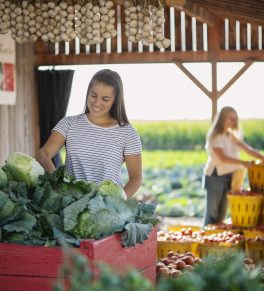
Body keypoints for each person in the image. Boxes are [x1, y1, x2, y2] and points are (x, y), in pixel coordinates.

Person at [36, 69, 142, 199]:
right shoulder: (69, 124)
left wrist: (116, 203)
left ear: (115, 100)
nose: (97, 103)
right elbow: (43, 154)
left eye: (105, 99)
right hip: (71, 203)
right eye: (93, 95)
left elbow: (136, 178)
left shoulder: (128, 134)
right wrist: (59, 183)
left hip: (107, 208)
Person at [203, 106, 264, 226]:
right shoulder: (215, 136)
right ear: (222, 119)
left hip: (229, 176)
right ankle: (205, 239)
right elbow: (223, 158)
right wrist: (243, 163)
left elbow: (248, 149)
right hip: (215, 176)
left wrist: (262, 158)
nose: (234, 121)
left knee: (222, 214)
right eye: (230, 118)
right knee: (212, 213)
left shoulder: (230, 135)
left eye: (235, 118)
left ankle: (216, 242)